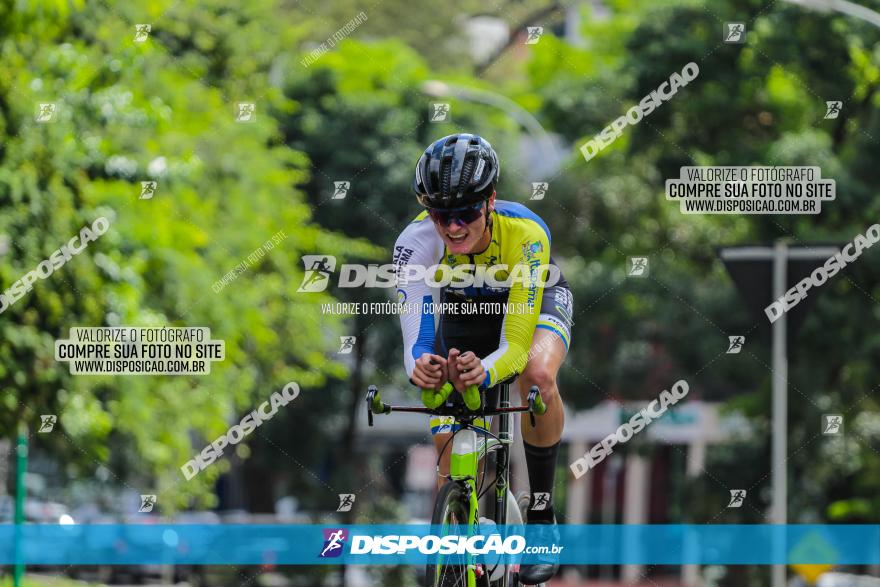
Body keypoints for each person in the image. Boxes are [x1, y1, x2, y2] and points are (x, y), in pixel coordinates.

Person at [394, 133, 574, 584]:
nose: (453, 227)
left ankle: (541, 515)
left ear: (490, 201)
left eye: (467, 213)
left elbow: (513, 348)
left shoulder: (526, 236)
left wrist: (486, 369)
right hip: (461, 313)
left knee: (534, 378)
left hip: (527, 306)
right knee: (449, 447)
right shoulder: (415, 243)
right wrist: (422, 367)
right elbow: (416, 338)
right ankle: (453, 554)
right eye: (441, 215)